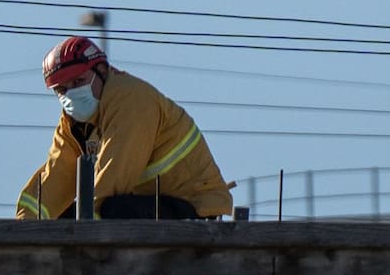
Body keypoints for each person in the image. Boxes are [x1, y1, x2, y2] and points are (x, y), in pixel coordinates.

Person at [15, 36, 233, 220]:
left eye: (78, 81)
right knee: (66, 218)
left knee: (109, 211)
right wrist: (26, 228)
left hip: (194, 210)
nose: (71, 94)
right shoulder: (74, 124)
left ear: (101, 70)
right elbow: (57, 175)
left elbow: (112, 181)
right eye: (61, 89)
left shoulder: (131, 101)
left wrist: (77, 234)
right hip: (150, 206)